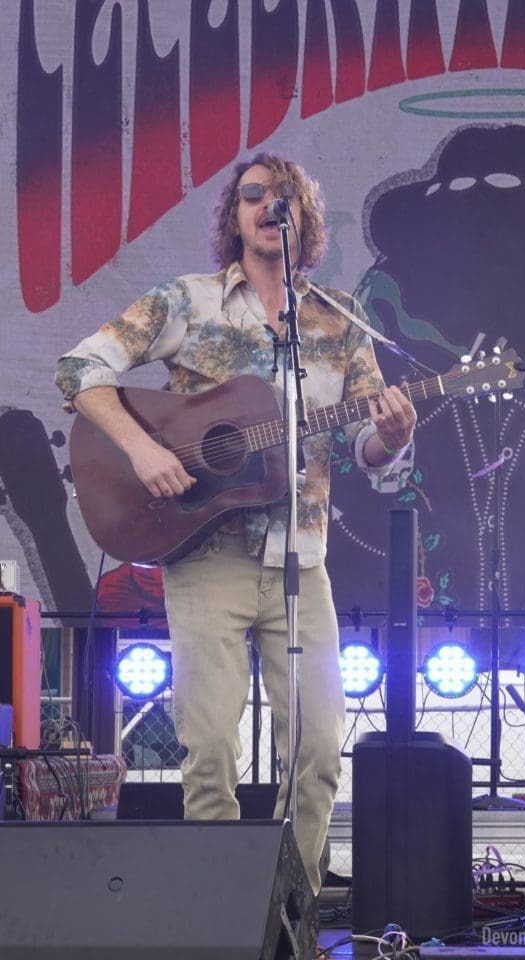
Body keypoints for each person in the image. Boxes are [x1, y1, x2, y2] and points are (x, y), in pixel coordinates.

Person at [55, 152, 417, 895]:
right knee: (210, 751)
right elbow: (77, 371)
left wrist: (393, 434)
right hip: (206, 554)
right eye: (251, 195)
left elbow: (367, 448)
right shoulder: (186, 302)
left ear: (302, 217)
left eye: (281, 196)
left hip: (301, 561)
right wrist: (143, 447)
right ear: (233, 216)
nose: (265, 205)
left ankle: (291, 911)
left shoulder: (341, 321)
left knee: (317, 750)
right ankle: (221, 916)